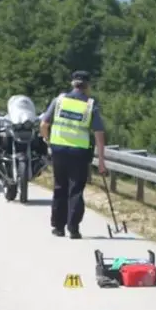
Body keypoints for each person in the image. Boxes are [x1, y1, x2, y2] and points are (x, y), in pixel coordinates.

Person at [40, 70, 107, 239]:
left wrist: (48, 141)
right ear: (87, 86)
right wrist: (101, 160)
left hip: (59, 150)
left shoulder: (59, 101)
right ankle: (74, 228)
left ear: (73, 84)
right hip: (79, 152)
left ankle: (58, 227)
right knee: (76, 189)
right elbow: (99, 133)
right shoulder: (90, 105)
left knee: (59, 187)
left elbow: (44, 124)